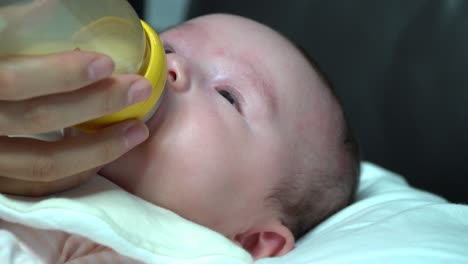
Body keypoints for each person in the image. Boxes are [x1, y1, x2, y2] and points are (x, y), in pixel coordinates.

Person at [0, 14, 360, 261]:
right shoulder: (25, 118)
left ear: (252, 240)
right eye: (166, 47)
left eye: (229, 96)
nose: (173, 65)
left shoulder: (166, 249)